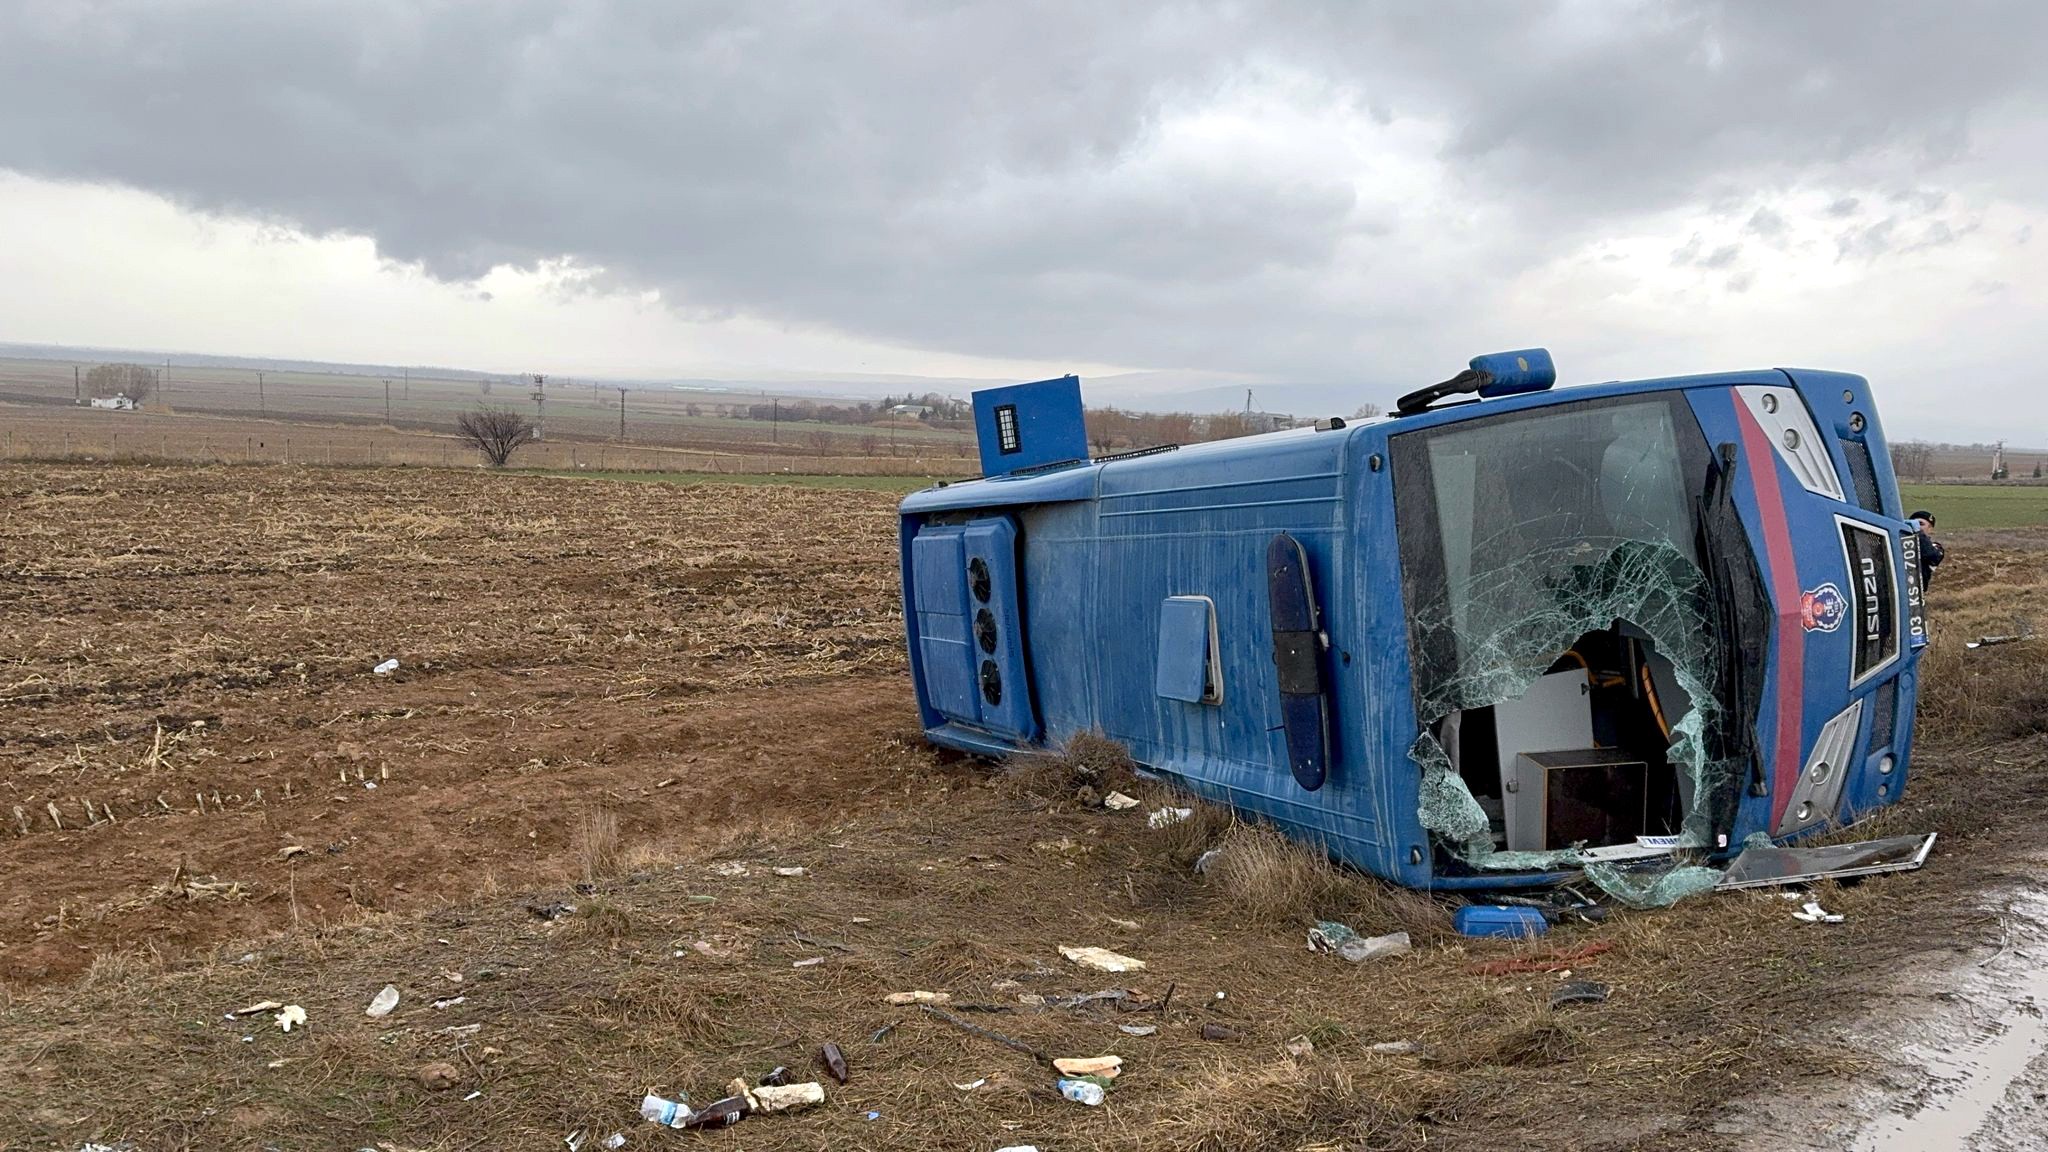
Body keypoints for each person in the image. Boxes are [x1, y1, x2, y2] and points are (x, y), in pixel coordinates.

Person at [1909, 510, 1945, 587]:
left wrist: (1918, 532)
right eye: (1914, 523)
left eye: (1921, 524)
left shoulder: (1936, 547)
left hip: (1915, 593)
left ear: (1930, 529)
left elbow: (1931, 555)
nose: (1918, 526)